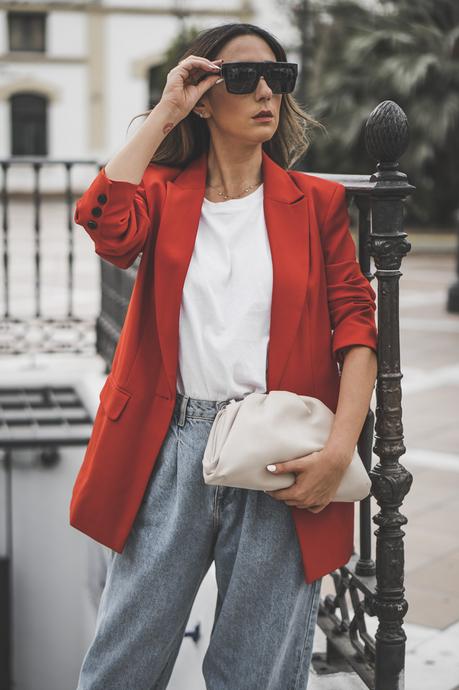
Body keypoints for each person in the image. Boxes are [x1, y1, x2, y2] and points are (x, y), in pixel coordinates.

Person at [72, 21, 378, 690]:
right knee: (121, 664)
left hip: (278, 454)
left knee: (257, 674)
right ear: (205, 97)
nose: (265, 91)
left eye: (279, 77)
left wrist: (337, 453)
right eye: (242, 78)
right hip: (168, 445)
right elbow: (105, 225)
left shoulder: (316, 204)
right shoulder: (160, 191)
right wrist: (164, 113)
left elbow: (357, 330)